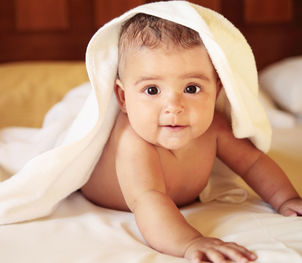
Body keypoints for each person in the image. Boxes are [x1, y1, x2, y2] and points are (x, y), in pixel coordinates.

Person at [81, 13, 302, 263]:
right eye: (152, 90)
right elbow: (148, 200)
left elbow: (252, 163)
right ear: (123, 98)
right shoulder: (133, 141)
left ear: (216, 90)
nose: (174, 106)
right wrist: (190, 242)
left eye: (191, 88)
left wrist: (287, 199)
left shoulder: (215, 128)